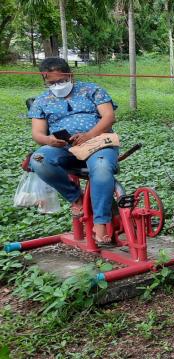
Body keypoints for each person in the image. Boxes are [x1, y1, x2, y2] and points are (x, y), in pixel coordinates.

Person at [27, 57, 119, 243]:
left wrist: (89, 135)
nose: (57, 85)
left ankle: (100, 223)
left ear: (70, 75)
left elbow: (109, 117)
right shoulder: (41, 101)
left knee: (101, 168)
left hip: (98, 142)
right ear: (44, 81)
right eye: (51, 83)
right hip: (65, 148)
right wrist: (49, 140)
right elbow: (37, 134)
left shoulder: (92, 90)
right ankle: (76, 198)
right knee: (37, 158)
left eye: (61, 80)